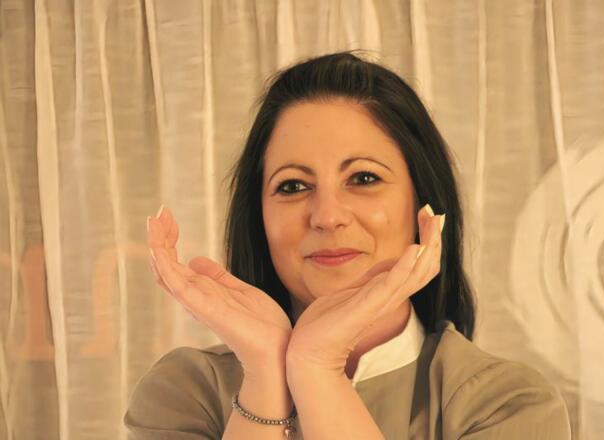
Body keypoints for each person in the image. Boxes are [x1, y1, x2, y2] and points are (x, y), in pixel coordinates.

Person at [124, 50, 571, 439]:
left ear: (423, 201)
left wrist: (317, 367)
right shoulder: (185, 393)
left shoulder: (505, 403)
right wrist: (264, 375)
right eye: (293, 186)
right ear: (258, 216)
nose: (328, 216)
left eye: (363, 178)